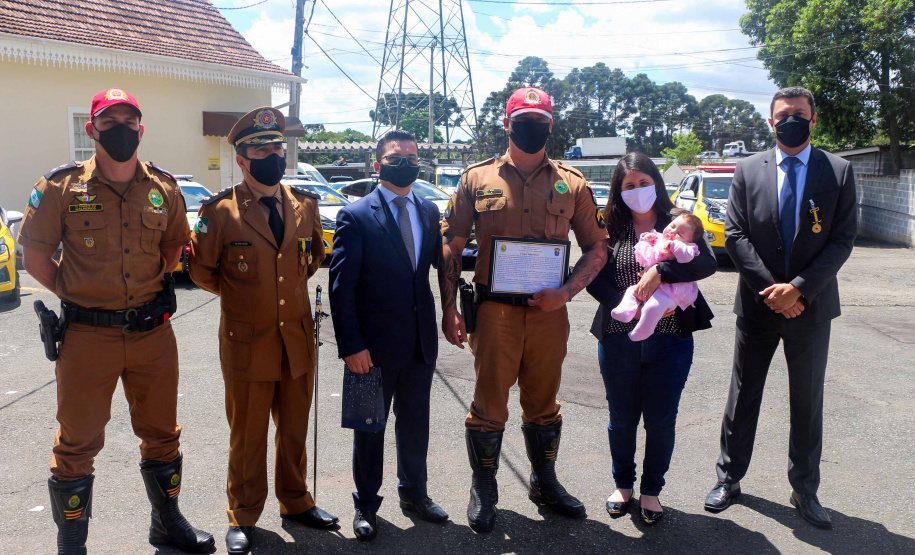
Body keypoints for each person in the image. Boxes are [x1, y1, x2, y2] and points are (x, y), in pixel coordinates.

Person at [18, 88, 214, 553]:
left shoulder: (163, 187)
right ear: (92, 130)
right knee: (77, 444)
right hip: (88, 337)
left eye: (130, 123)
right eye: (109, 123)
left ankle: (166, 523)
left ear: (141, 130)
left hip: (152, 334)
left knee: (163, 434)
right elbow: (37, 257)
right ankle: (72, 542)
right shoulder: (61, 188)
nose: (121, 131)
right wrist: (78, 295)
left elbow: (172, 251)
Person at [440, 87, 609, 533]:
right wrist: (449, 307)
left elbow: (596, 248)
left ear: (550, 125)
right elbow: (451, 245)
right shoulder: (477, 178)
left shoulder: (572, 183)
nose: (531, 126)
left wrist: (568, 292)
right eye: (523, 119)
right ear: (506, 123)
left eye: (539, 119)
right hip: (494, 313)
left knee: (544, 402)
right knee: (488, 405)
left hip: (550, 313)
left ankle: (545, 480)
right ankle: (485, 487)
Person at [704, 87, 857, 529]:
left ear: (814, 119)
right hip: (758, 304)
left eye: (800, 114)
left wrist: (801, 290)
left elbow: (842, 239)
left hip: (812, 308)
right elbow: (734, 235)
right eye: (783, 115)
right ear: (771, 122)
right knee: (743, 393)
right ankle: (729, 478)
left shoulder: (839, 171)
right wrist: (775, 290)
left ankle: (805, 489)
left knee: (807, 401)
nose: (792, 120)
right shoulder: (748, 170)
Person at [188, 107, 337, 555]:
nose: (271, 154)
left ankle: (296, 502)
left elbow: (309, 263)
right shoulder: (220, 212)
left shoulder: (305, 205)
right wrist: (243, 299)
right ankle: (243, 514)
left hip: (295, 338)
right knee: (248, 436)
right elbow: (201, 270)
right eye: (260, 149)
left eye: (276, 147)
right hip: (247, 342)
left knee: (293, 430)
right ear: (242, 158)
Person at [329, 129, 447, 541]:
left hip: (419, 344)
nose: (408, 162)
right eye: (398, 156)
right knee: (370, 429)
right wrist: (352, 346)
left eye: (414, 156)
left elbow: (438, 268)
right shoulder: (356, 215)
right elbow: (342, 288)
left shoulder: (430, 211)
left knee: (415, 426)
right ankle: (366, 505)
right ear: (378, 163)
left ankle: (415, 494)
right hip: (372, 349)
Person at [586, 153, 717, 524]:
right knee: (621, 418)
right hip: (618, 337)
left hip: (671, 339)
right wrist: (630, 306)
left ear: (657, 184)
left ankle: (651, 491)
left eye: (644, 183)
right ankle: (623, 486)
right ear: (618, 191)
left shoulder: (679, 222)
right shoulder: (607, 227)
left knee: (661, 420)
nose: (638, 191)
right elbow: (594, 277)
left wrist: (661, 270)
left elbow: (706, 262)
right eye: (629, 186)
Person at [611, 212, 705, 341]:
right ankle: (626, 311)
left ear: (689, 240)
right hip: (652, 288)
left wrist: (674, 245)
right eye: (672, 226)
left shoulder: (688, 247)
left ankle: (644, 330)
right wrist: (648, 239)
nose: (672, 232)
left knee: (652, 307)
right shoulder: (660, 238)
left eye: (679, 234)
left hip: (673, 292)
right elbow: (648, 251)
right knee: (631, 291)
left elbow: (686, 257)